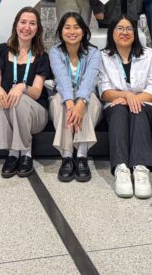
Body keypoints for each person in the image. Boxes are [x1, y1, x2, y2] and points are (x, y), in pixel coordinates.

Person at [97, 15, 152, 199]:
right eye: (120, 28)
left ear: (135, 33)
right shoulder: (103, 56)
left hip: (147, 105)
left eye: (129, 29)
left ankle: (141, 169)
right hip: (117, 105)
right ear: (112, 32)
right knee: (119, 111)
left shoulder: (148, 54)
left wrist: (134, 99)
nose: (125, 32)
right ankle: (121, 169)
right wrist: (127, 96)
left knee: (138, 110)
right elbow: (104, 90)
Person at [0, 6, 52, 178]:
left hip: (35, 114)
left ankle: (25, 152)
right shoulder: (1, 50)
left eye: (32, 23)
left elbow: (37, 92)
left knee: (21, 99)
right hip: (7, 109)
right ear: (16, 25)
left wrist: (22, 86)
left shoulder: (42, 56)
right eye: (23, 22)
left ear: (37, 29)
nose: (27, 27)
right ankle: (12, 152)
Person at [48, 13, 103, 182]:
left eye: (76, 27)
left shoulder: (94, 52)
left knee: (88, 101)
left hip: (88, 101)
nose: (72, 31)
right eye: (67, 27)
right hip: (64, 100)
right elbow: (62, 78)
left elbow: (89, 80)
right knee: (60, 101)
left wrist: (79, 103)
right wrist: (72, 104)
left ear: (84, 31)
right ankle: (66, 156)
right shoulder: (55, 51)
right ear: (61, 31)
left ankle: (81, 155)